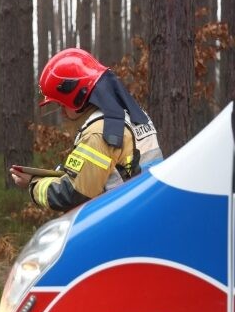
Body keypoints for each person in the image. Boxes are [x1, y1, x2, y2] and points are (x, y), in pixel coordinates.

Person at [10, 48, 162, 212]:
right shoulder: (131, 115)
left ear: (78, 96)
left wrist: (33, 185)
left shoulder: (98, 132)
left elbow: (74, 194)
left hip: (121, 217)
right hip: (146, 207)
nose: (62, 112)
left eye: (62, 104)